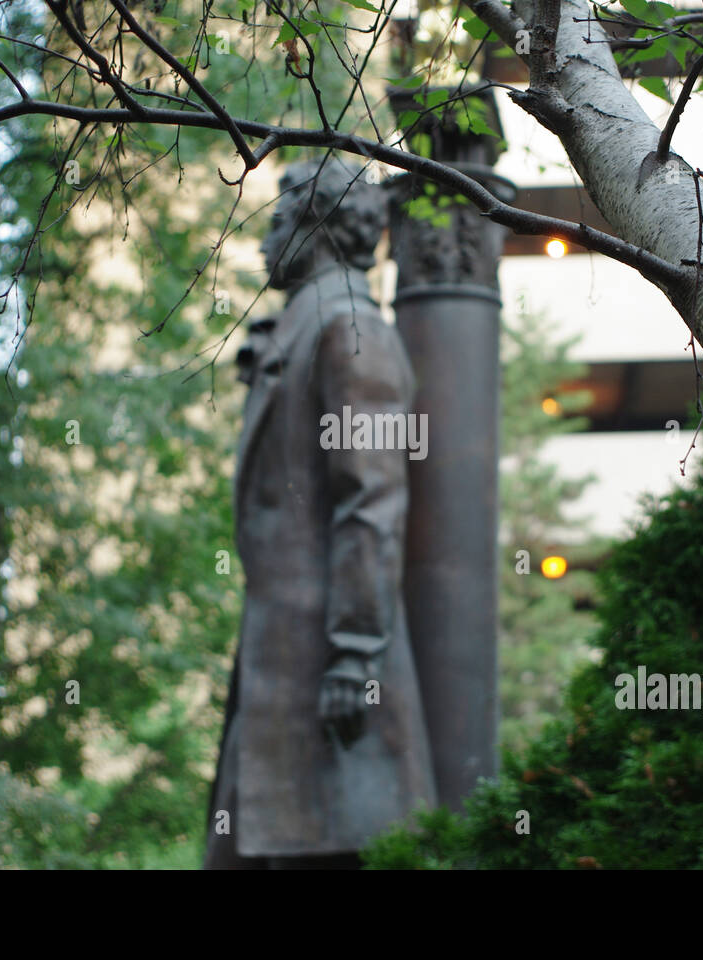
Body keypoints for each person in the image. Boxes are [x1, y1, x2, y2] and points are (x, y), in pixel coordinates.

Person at [203, 158, 436, 869]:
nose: (264, 242)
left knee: (322, 851)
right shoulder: (299, 331)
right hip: (283, 662)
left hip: (328, 667)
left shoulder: (351, 331)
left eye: (276, 223)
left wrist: (355, 652)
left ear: (319, 227)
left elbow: (372, 497)